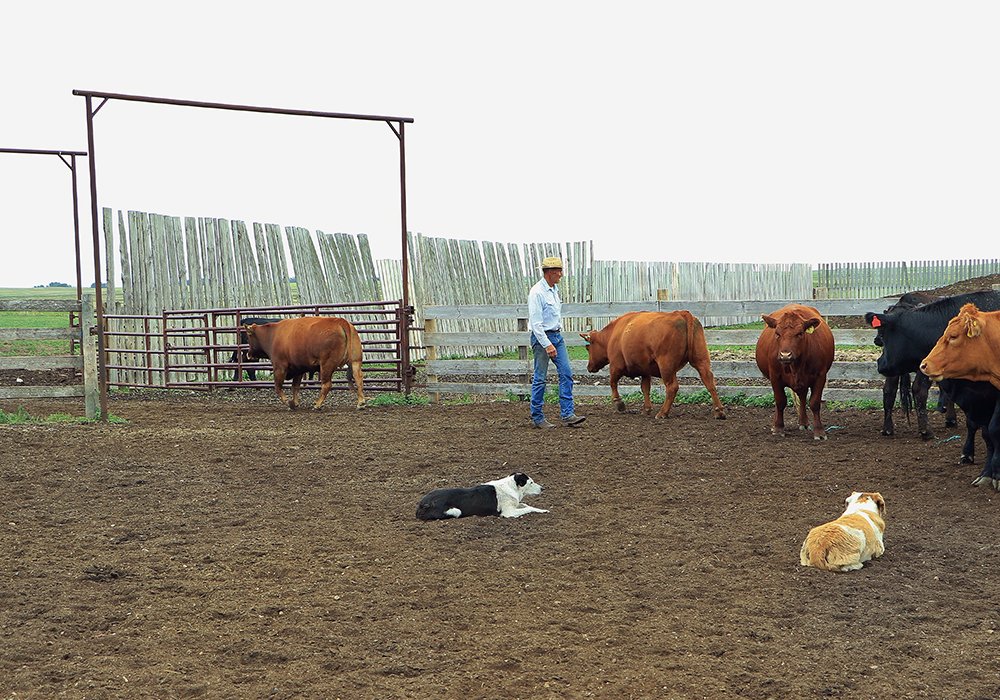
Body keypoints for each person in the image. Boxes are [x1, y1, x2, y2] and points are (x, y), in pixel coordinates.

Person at [527, 256, 586, 429]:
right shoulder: (537, 293)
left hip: (556, 336)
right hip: (542, 338)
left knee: (566, 373)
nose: (561, 274)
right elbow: (536, 325)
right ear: (550, 273)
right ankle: (537, 416)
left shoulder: (553, 290)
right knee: (540, 378)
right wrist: (547, 344)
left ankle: (568, 413)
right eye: (558, 271)